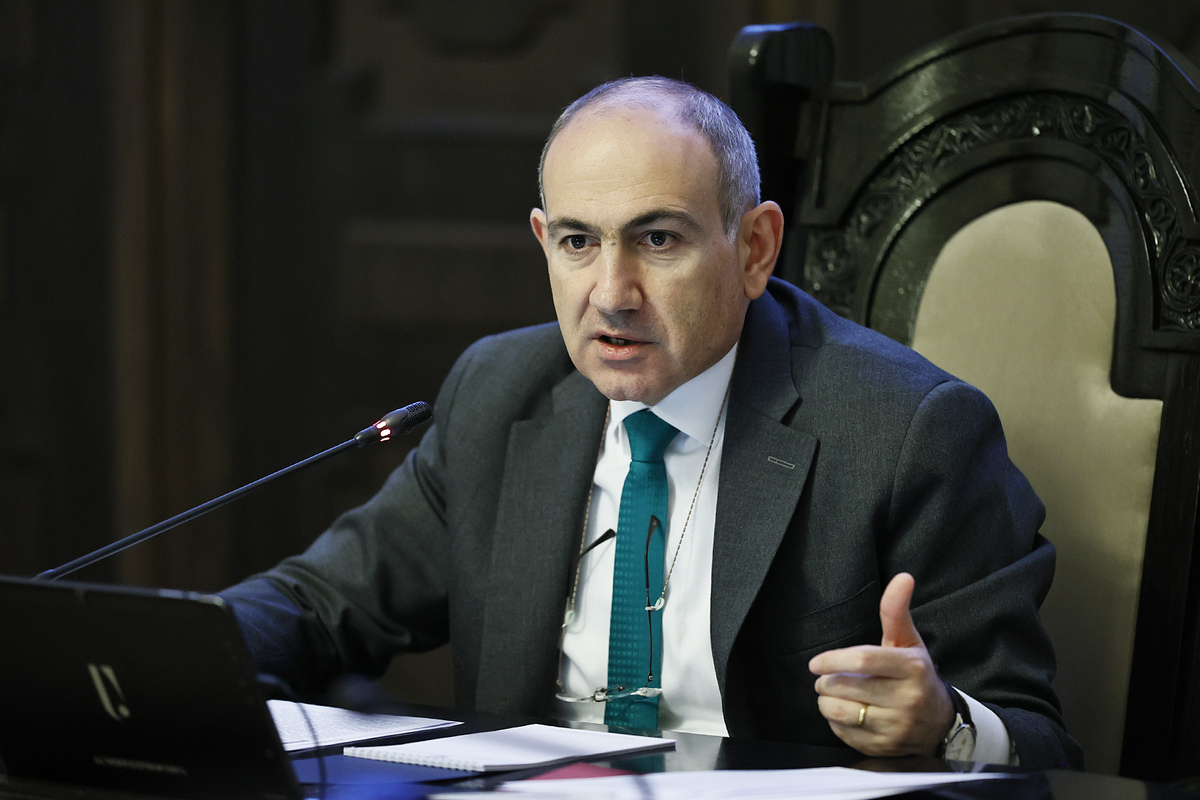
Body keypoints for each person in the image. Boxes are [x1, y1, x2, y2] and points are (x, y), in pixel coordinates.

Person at [220, 76, 1083, 768]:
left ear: (754, 248)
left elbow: (1039, 740)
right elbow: (319, 607)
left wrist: (945, 724)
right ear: (543, 241)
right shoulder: (500, 393)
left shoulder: (907, 430)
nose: (611, 293)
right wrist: (169, 662)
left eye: (658, 240)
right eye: (577, 242)